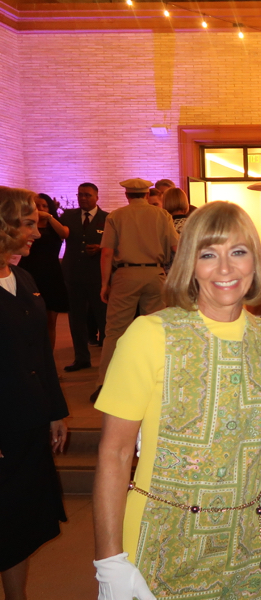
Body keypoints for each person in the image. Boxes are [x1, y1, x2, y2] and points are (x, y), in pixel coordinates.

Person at [92, 201, 261, 600]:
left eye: (238, 252)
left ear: (256, 263)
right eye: (208, 255)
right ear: (189, 264)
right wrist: (109, 560)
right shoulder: (151, 333)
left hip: (245, 543)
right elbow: (115, 453)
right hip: (163, 539)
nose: (225, 269)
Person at [0, 186, 69, 600]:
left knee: (20, 524)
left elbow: (42, 353)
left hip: (27, 424)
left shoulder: (23, 277)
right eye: (28, 224)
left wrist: (56, 411)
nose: (37, 234)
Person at [92, 178, 179, 402]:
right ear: (147, 195)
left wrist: (104, 283)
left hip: (125, 275)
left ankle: (105, 383)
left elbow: (106, 253)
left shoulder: (116, 216)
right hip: (155, 274)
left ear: (127, 195)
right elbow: (176, 247)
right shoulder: (162, 216)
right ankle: (158, 382)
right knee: (157, 330)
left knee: (115, 332)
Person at [58, 182, 108, 371]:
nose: (83, 198)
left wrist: (101, 248)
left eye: (87, 195)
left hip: (97, 276)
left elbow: (117, 245)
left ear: (96, 196)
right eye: (80, 195)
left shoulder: (107, 218)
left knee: (103, 318)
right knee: (76, 319)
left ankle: (109, 359)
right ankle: (81, 358)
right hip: (74, 276)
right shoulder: (68, 216)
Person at [17, 193, 70, 351]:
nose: (40, 209)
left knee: (50, 321)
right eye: (37, 205)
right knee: (27, 319)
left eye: (44, 206)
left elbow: (64, 234)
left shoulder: (55, 225)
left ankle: (49, 363)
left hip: (51, 274)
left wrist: (50, 217)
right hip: (28, 273)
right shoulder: (25, 225)